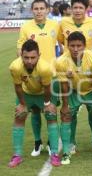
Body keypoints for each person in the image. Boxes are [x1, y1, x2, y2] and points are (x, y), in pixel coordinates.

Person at [58, 0, 92, 154]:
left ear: (86, 9)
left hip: (88, 67)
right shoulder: (63, 22)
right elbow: (60, 40)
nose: (77, 10)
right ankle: (71, 142)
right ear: (71, 8)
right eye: (75, 7)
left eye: (81, 8)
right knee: (71, 111)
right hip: (69, 68)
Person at [56, 31, 92, 165]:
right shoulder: (61, 61)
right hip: (74, 91)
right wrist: (65, 106)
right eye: (72, 46)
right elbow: (64, 86)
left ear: (84, 46)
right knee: (66, 116)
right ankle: (67, 150)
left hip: (91, 90)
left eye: (79, 46)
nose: (75, 49)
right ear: (67, 46)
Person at [17, 0, 60, 157]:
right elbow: (20, 49)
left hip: (51, 75)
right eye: (36, 8)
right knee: (34, 111)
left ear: (47, 10)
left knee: (50, 112)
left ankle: (50, 143)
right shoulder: (25, 27)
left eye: (42, 8)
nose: (39, 11)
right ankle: (37, 142)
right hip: (32, 76)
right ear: (32, 10)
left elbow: (63, 44)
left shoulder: (55, 25)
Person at [8, 40, 60, 168]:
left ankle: (54, 154)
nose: (29, 61)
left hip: (44, 93)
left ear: (39, 55)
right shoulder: (15, 67)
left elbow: (47, 88)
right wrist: (22, 104)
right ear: (21, 55)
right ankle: (17, 155)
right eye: (26, 57)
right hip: (27, 93)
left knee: (51, 116)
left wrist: (48, 104)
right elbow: (18, 86)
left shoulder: (45, 68)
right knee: (19, 116)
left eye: (33, 57)